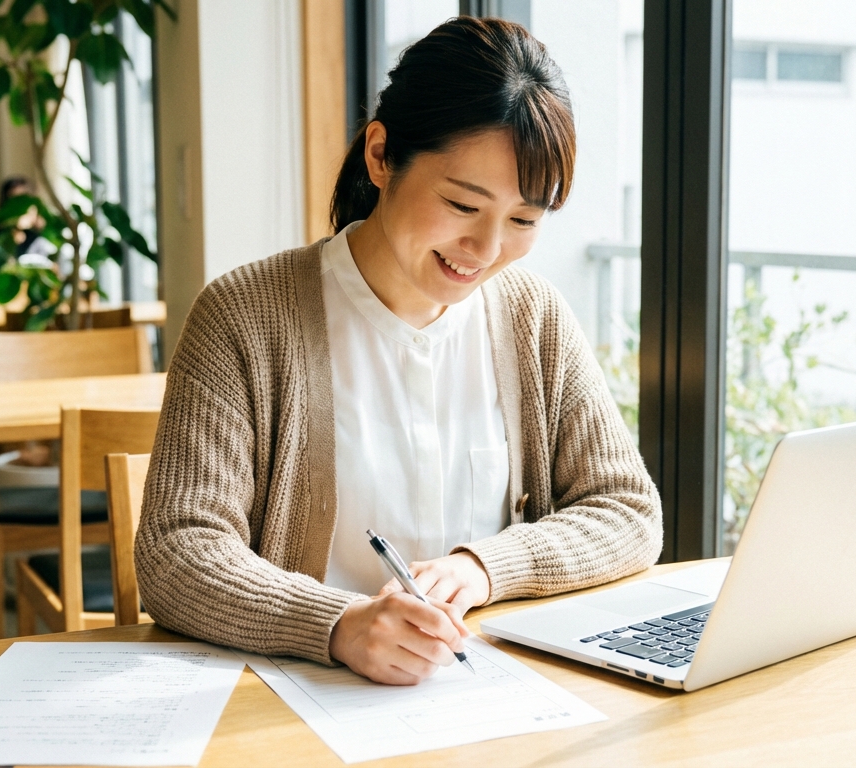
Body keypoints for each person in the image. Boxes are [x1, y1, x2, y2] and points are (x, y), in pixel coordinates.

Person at [135, 17, 661, 685]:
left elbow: (627, 508)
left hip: (489, 697)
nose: (488, 249)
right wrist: (336, 625)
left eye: (524, 221)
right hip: (295, 700)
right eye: (462, 204)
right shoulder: (245, 316)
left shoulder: (534, 317)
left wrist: (485, 567)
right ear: (380, 155)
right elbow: (176, 551)